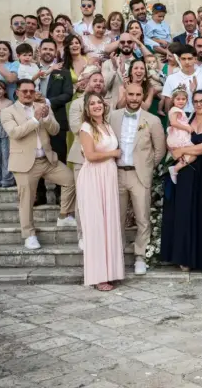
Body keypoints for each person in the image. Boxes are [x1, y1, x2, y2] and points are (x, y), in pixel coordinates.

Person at [1, 79, 77, 250]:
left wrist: (48, 116)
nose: (28, 94)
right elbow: (15, 133)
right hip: (24, 163)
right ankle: (29, 235)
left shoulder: (41, 106)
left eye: (31, 91)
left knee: (70, 179)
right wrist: (35, 120)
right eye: (25, 91)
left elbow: (55, 130)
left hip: (47, 159)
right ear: (17, 92)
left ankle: (64, 215)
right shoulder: (8, 111)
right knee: (26, 200)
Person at [161, 90, 202, 271]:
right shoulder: (186, 118)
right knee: (184, 213)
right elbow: (172, 136)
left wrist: (183, 151)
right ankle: (183, 257)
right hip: (185, 172)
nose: (199, 104)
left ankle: (201, 258)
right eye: (196, 101)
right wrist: (177, 151)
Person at [109, 83, 165, 276]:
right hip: (116, 173)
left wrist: (147, 166)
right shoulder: (113, 117)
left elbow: (160, 150)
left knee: (142, 217)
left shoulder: (153, 120)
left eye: (137, 95)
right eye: (130, 94)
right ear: (126, 95)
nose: (133, 98)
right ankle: (117, 253)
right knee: (117, 216)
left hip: (140, 174)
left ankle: (140, 256)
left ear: (143, 96)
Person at [76, 92, 124, 291]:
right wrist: (114, 153)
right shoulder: (86, 128)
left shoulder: (107, 125)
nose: (96, 106)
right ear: (87, 108)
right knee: (97, 225)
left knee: (109, 223)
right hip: (94, 177)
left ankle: (110, 271)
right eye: (92, 103)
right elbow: (90, 155)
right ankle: (98, 276)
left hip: (108, 176)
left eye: (99, 102)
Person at [66, 71, 107, 249]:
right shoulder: (77, 104)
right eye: (94, 80)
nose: (98, 83)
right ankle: (82, 234)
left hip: (103, 160)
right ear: (87, 82)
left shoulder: (106, 104)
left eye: (101, 81)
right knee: (83, 198)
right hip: (82, 157)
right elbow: (76, 127)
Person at [33, 39, 74, 206]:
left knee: (59, 157)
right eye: (45, 49)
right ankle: (39, 194)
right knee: (36, 157)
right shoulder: (32, 70)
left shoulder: (63, 72)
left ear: (56, 51)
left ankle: (59, 193)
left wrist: (47, 101)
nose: (48, 51)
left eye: (51, 49)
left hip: (57, 119)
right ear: (40, 50)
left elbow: (67, 94)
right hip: (34, 121)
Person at [161, 44, 202, 113]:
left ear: (195, 59)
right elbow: (167, 107)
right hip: (177, 119)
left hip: (199, 118)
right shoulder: (171, 78)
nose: (187, 62)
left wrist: (195, 92)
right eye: (183, 59)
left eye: (190, 58)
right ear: (179, 59)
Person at [166, 86, 196, 183]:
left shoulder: (179, 110)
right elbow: (173, 123)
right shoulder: (175, 110)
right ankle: (175, 169)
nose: (181, 101)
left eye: (183, 99)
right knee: (194, 154)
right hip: (178, 137)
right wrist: (187, 128)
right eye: (178, 99)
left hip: (178, 136)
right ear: (173, 100)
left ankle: (177, 168)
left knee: (185, 156)